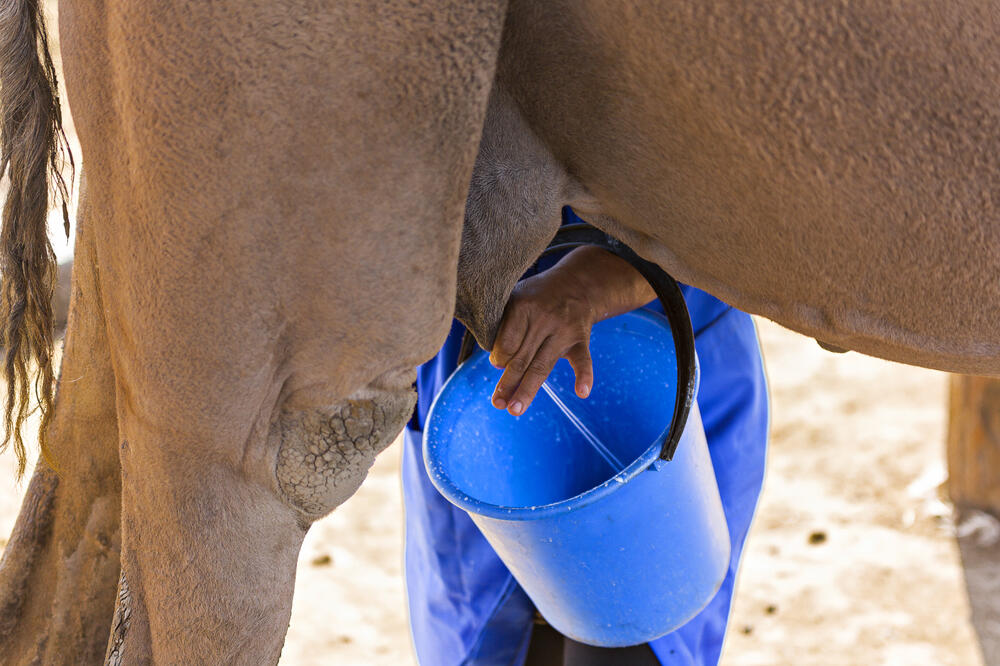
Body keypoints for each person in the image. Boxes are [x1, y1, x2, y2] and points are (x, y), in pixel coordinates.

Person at [402, 208, 768, 665]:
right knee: (494, 637)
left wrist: (594, 281)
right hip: (474, 386)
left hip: (656, 363)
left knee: (632, 624)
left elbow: (754, 211)